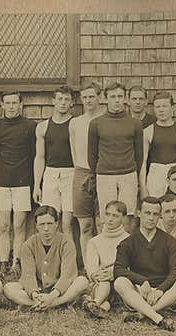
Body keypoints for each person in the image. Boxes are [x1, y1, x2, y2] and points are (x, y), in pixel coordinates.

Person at [113, 197, 176, 331]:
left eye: (155, 214)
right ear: (139, 213)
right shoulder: (128, 242)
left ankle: (144, 314)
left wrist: (161, 289)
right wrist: (142, 281)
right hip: (140, 292)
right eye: (147, 213)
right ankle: (157, 318)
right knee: (119, 282)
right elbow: (118, 269)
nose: (151, 218)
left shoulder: (169, 241)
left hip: (163, 294)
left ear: (159, 215)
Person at [0, 90, 37, 274]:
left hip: (23, 183)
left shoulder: (30, 127)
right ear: (2, 105)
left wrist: (34, 185)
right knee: (4, 226)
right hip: (1, 183)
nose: (12, 106)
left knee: (19, 225)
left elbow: (35, 157)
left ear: (21, 105)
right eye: (8, 103)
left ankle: (17, 262)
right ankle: (4, 262)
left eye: (15, 103)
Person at [3, 206, 89, 310]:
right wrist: (34, 294)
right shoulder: (28, 245)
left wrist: (53, 295)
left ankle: (50, 303)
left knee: (82, 281)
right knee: (9, 288)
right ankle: (44, 303)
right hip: (38, 289)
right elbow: (28, 275)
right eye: (42, 224)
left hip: (60, 290)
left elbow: (68, 275)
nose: (46, 229)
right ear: (36, 226)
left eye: (50, 224)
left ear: (56, 224)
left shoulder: (66, 243)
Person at [88, 82, 143, 228]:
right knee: (107, 218)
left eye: (120, 96)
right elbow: (92, 155)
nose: (116, 100)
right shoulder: (96, 123)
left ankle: (125, 250)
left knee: (127, 217)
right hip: (105, 175)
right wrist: (98, 174)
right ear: (106, 99)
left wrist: (132, 171)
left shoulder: (135, 123)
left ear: (125, 99)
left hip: (128, 174)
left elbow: (139, 155)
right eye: (112, 97)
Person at [33, 86, 75, 245]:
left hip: (70, 173)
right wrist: (37, 185)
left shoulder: (74, 124)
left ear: (72, 103)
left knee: (67, 223)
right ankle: (51, 260)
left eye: (67, 100)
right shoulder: (43, 127)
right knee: (49, 221)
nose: (63, 103)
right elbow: (40, 157)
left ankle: (69, 261)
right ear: (53, 101)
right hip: (50, 174)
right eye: (60, 99)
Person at [69, 81, 106, 262]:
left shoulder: (106, 119)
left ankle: (104, 264)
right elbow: (74, 152)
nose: (89, 100)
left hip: (103, 173)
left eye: (92, 96)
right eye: (85, 97)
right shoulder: (75, 123)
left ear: (99, 97)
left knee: (102, 223)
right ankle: (88, 267)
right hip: (82, 172)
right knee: (85, 225)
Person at [140, 91, 176, 199]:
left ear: (172, 107)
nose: (161, 109)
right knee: (155, 206)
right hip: (156, 172)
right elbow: (143, 162)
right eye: (157, 106)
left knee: (175, 206)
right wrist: (143, 188)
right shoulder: (148, 131)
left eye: (164, 106)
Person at [82, 200, 130, 317]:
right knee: (104, 282)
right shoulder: (95, 241)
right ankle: (97, 304)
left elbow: (131, 265)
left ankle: (99, 305)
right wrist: (95, 275)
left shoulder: (129, 240)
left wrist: (114, 272)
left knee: (117, 283)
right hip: (102, 281)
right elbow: (92, 266)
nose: (110, 219)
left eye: (115, 216)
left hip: (121, 279)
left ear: (123, 218)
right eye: (108, 214)